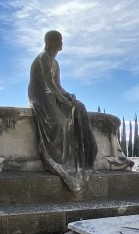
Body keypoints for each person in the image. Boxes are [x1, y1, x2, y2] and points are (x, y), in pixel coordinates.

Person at [28, 31, 97, 195]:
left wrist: (69, 96)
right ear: (50, 41)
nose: (62, 42)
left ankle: (80, 159)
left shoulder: (56, 63)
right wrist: (64, 101)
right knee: (59, 121)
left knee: (79, 107)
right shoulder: (44, 57)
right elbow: (49, 85)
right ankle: (57, 160)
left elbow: (58, 86)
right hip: (39, 94)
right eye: (59, 39)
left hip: (52, 94)